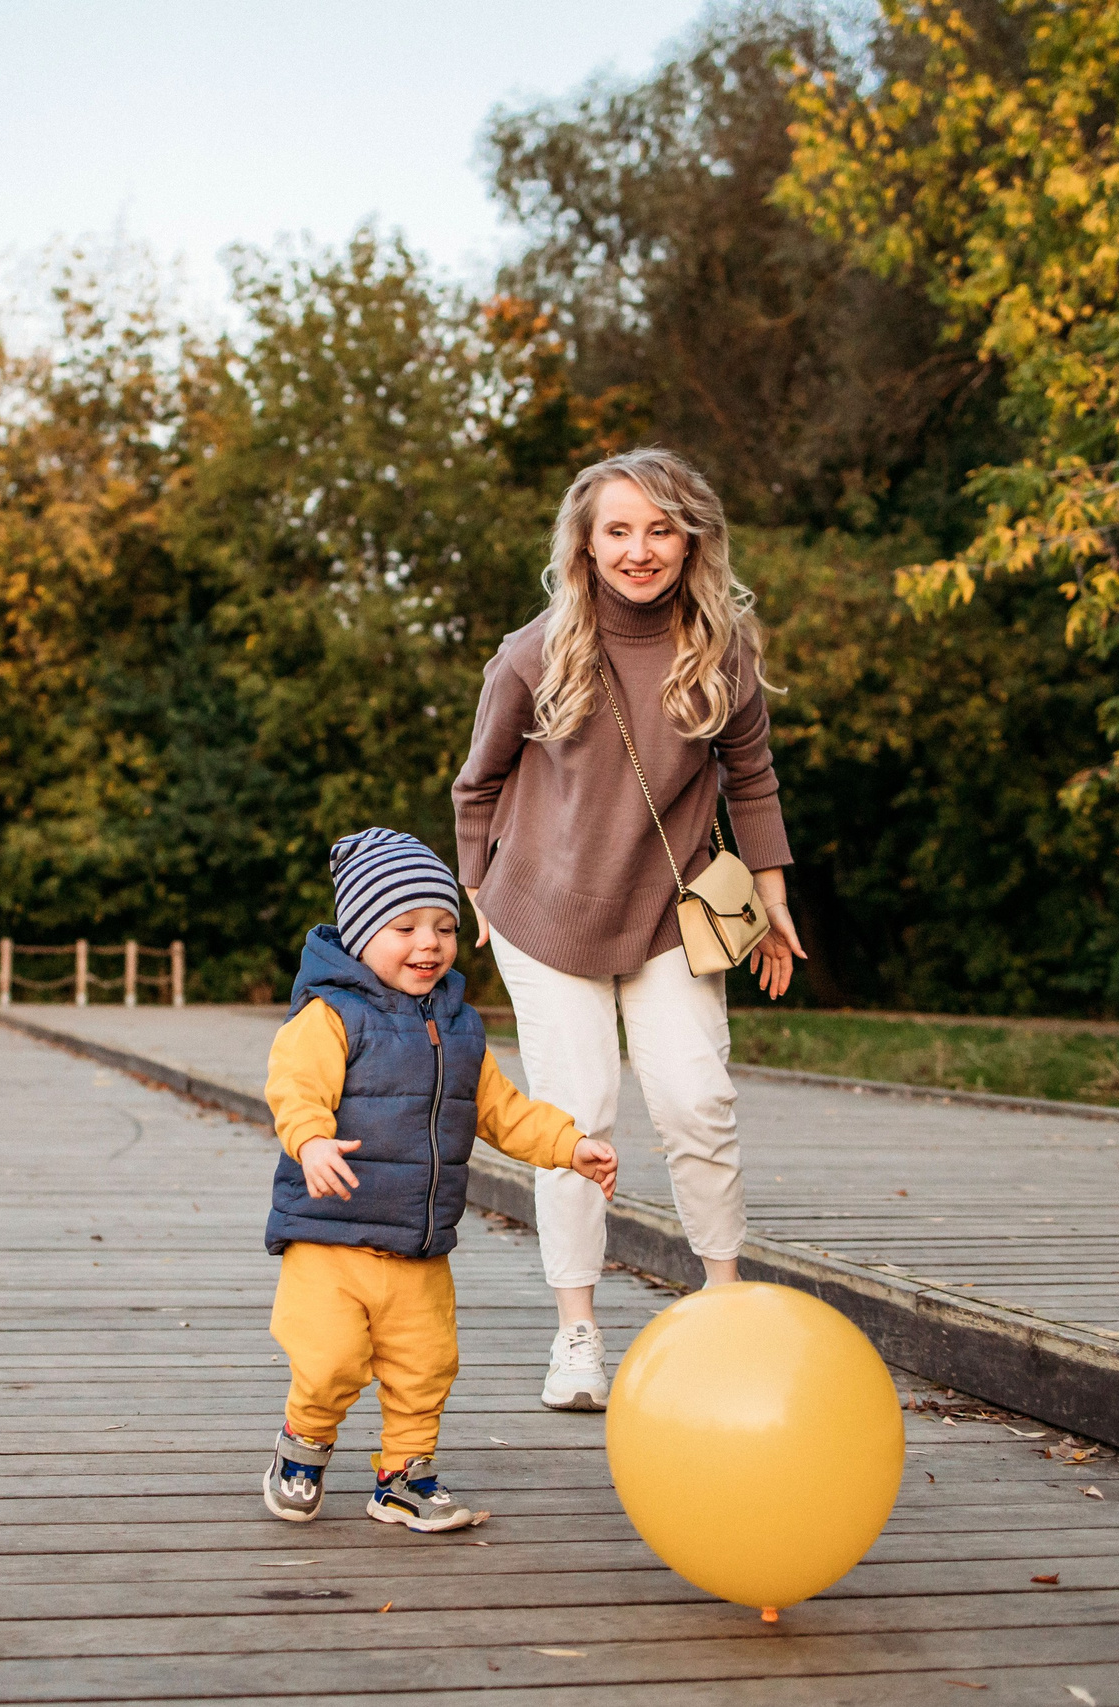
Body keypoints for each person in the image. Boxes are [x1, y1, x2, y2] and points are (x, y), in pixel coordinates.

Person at [451, 447, 803, 1412]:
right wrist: (476, 888)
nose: (640, 549)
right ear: (586, 541)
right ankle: (577, 1330)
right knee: (580, 1118)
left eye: (660, 529)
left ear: (691, 538)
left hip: (667, 913)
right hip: (545, 912)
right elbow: (477, 781)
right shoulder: (536, 650)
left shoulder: (720, 646)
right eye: (619, 530)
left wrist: (771, 901)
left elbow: (752, 780)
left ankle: (723, 1304)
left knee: (696, 1100)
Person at [260, 828, 617, 1530]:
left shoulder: (457, 1028)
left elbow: (501, 1110)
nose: (429, 942)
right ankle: (302, 1445)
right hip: (330, 1236)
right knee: (329, 1359)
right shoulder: (331, 1016)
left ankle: (405, 1475)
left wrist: (569, 1145)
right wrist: (310, 1142)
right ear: (362, 933)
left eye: (445, 926)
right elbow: (293, 1088)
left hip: (420, 1245)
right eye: (406, 926)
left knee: (426, 1365)